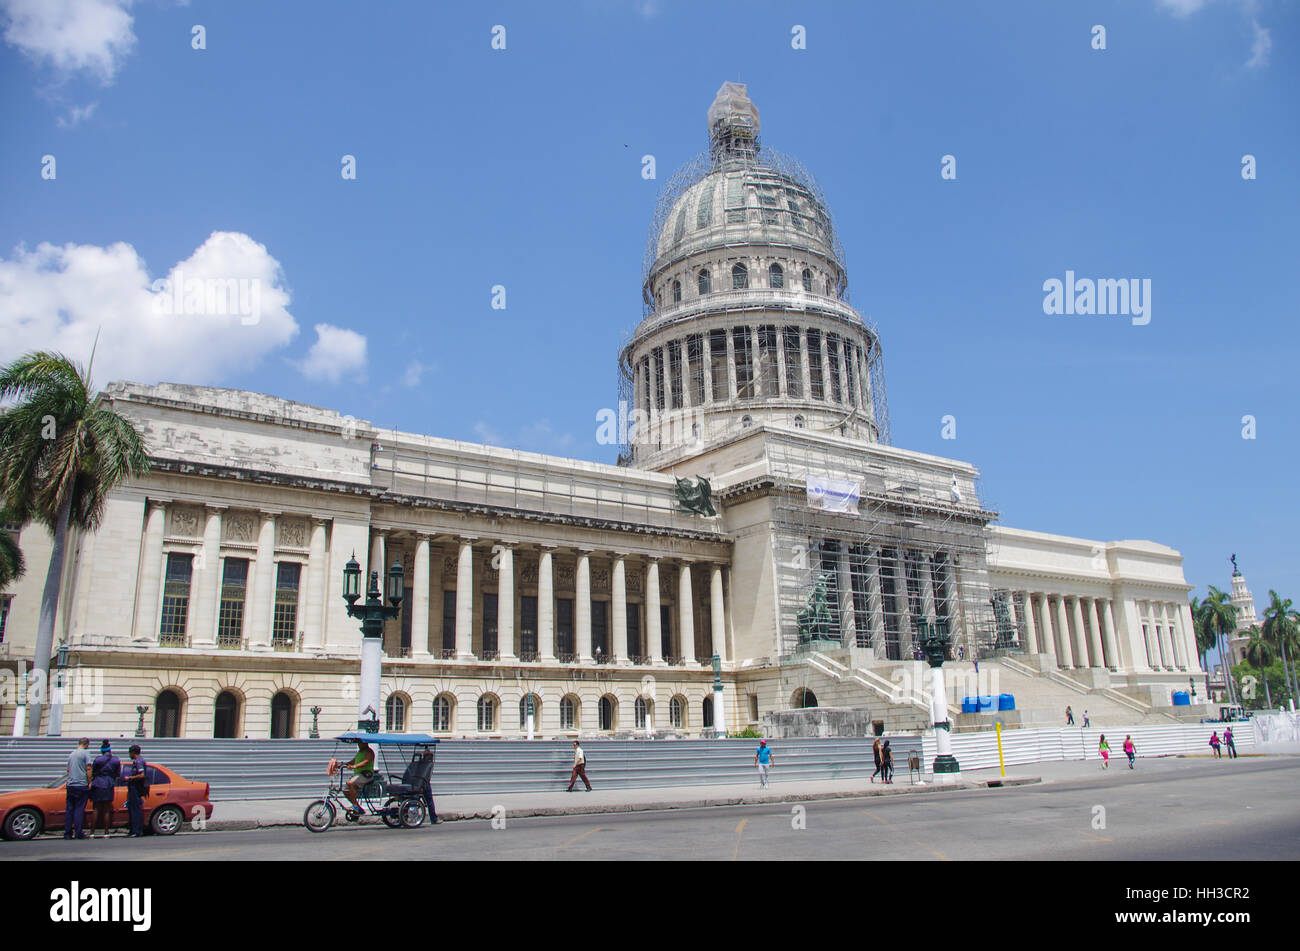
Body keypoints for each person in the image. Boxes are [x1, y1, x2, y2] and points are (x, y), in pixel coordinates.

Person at [89, 740, 121, 838]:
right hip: (109, 784)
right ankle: (106, 832)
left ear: (102, 751)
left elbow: (93, 771)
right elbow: (118, 774)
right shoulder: (116, 760)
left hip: (98, 784)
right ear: (110, 750)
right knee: (107, 809)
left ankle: (92, 832)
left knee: (96, 808)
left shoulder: (98, 760)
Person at [63, 738, 93, 840]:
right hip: (81, 784)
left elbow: (68, 769)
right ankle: (78, 832)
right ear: (86, 744)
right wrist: (90, 782)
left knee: (69, 809)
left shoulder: (71, 754)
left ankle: (67, 833)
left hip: (70, 785)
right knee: (79, 809)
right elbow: (88, 768)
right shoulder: (86, 753)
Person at [342, 739, 376, 817]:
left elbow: (365, 762)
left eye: (360, 743)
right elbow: (354, 761)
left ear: (365, 743)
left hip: (366, 775)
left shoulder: (369, 752)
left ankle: (355, 806)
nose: (358, 745)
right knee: (345, 790)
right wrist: (343, 764)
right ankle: (357, 807)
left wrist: (354, 766)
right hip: (358, 775)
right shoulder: (360, 752)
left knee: (350, 783)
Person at [122, 744, 148, 837]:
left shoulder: (138, 761)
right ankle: (134, 830)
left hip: (136, 789)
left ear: (133, 753)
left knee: (135, 810)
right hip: (134, 788)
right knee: (133, 809)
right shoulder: (138, 761)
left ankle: (136, 831)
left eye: (130, 753)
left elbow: (142, 775)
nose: (129, 755)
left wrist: (130, 778)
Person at [417, 750, 442, 824]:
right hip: (422, 784)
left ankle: (434, 818)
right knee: (429, 801)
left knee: (428, 801)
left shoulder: (421, 764)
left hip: (421, 783)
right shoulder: (426, 765)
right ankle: (434, 819)